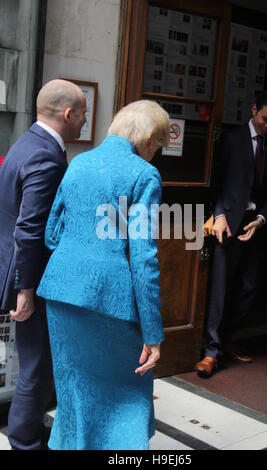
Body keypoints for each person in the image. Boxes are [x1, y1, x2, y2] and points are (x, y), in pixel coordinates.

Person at [37, 100, 170, 450]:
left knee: (74, 390)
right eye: (157, 145)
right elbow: (143, 257)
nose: (155, 153)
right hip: (109, 303)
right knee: (126, 393)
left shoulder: (79, 162)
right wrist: (153, 333)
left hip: (61, 292)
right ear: (148, 140)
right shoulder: (144, 174)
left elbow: (52, 233)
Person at [0, 79, 87, 450]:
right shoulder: (46, 156)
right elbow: (30, 227)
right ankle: (24, 441)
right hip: (29, 277)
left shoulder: (26, 143)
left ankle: (27, 431)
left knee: (36, 363)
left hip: (19, 268)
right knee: (36, 367)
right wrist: (25, 289)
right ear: (68, 114)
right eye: (83, 114)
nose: (85, 121)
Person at [195, 91, 267, 378]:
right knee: (220, 290)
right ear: (254, 109)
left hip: (253, 225)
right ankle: (211, 353)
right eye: (264, 120)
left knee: (249, 287)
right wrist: (218, 215)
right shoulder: (231, 139)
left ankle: (226, 339)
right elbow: (216, 182)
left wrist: (261, 219)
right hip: (227, 222)